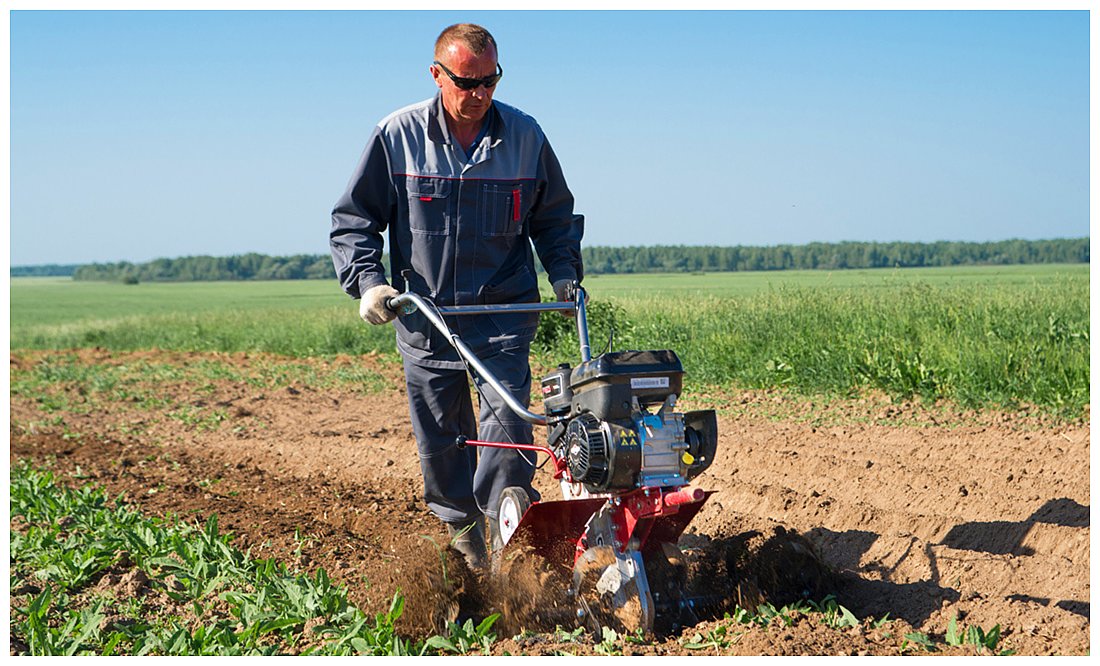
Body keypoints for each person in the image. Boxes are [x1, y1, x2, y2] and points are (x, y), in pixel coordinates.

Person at [330, 23, 584, 569]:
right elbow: (354, 221)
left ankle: (508, 538)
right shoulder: (396, 135)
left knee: (508, 427)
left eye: (489, 81)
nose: (480, 95)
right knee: (442, 439)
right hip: (427, 314)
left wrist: (563, 272)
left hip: (501, 314)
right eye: (467, 82)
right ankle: (463, 536)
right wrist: (368, 282)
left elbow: (555, 217)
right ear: (437, 74)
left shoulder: (525, 136)